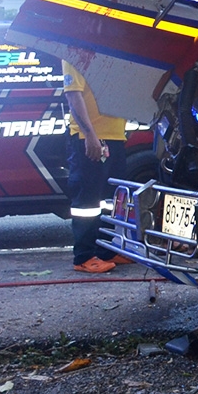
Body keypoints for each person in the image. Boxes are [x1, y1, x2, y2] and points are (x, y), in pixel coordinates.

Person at [63, 61, 130, 273]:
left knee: (111, 200)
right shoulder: (74, 54)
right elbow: (73, 96)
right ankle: (83, 257)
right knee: (87, 203)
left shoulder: (106, 53)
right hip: (91, 138)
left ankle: (106, 250)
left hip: (114, 137)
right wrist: (90, 136)